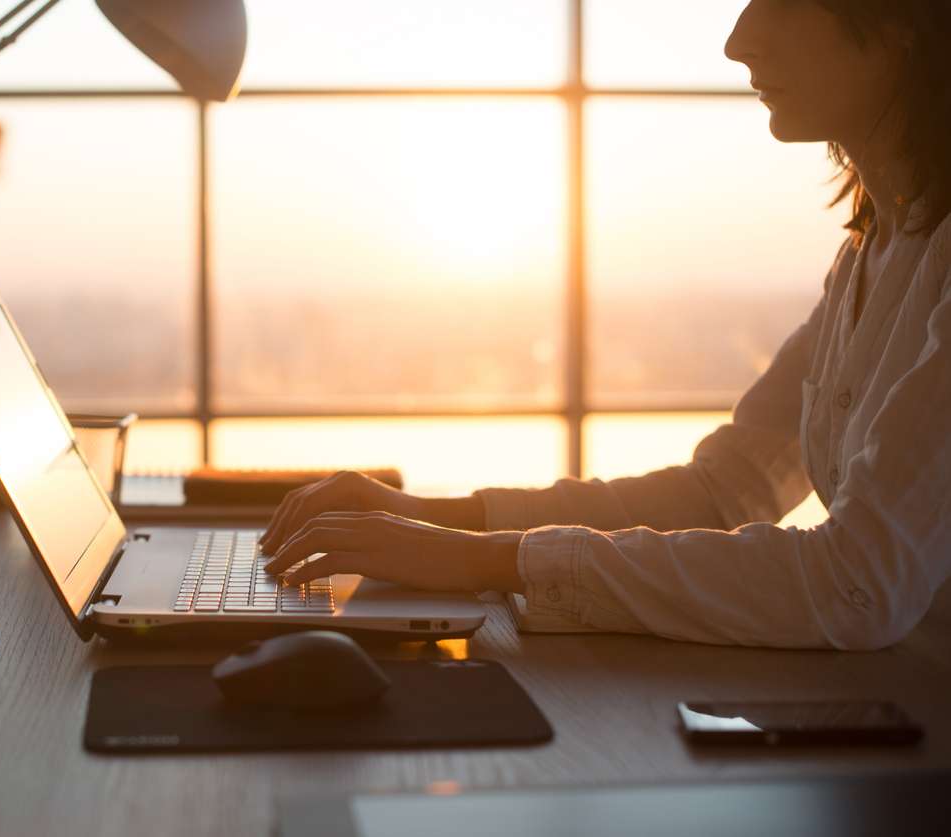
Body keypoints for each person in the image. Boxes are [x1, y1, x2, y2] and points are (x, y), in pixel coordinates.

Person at [259, 0, 951, 650]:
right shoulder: (872, 249)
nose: (740, 40)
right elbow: (720, 491)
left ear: (901, 20)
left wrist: (479, 558)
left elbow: (858, 581)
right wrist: (434, 517)